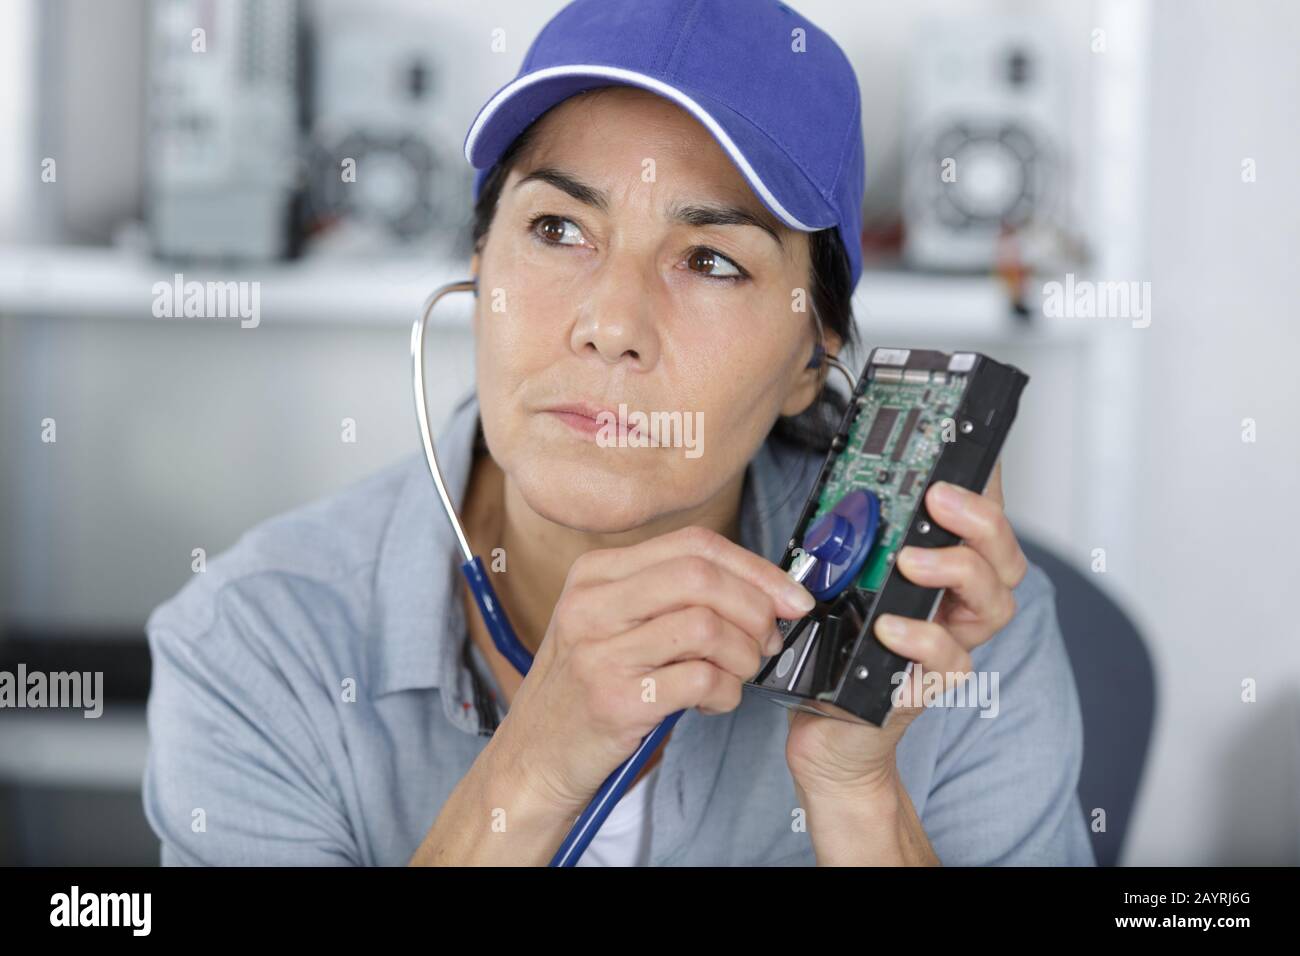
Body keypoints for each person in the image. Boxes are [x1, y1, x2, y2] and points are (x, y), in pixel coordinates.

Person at [142, 0, 1094, 866]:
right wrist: (534, 769)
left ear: (813, 356)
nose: (612, 323)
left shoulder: (954, 646)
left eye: (712, 260)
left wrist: (857, 792)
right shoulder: (249, 646)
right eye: (558, 229)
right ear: (480, 268)